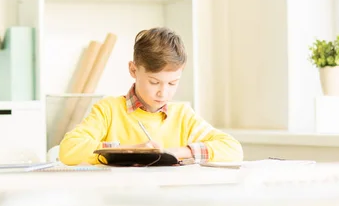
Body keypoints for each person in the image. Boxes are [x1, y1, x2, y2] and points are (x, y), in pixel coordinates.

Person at [58, 27, 243, 166]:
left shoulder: (183, 116)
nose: (163, 93)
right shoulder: (109, 110)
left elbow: (233, 149)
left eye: (172, 83)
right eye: (154, 82)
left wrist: (179, 152)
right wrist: (129, 151)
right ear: (133, 70)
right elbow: (68, 149)